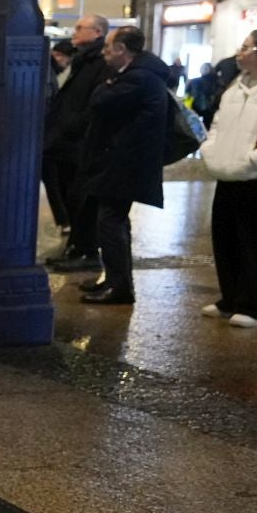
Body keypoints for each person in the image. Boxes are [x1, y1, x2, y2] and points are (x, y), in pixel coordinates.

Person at [75, 26, 169, 306]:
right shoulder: (136, 75)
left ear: (122, 50)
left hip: (124, 163)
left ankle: (119, 287)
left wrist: (107, 85)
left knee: (111, 223)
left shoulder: (138, 78)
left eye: (108, 46)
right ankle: (116, 280)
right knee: (112, 222)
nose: (104, 52)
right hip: (122, 162)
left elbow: (99, 101)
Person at [201, 31, 257, 328]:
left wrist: (253, 161)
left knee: (252, 242)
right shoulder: (235, 87)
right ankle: (230, 298)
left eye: (246, 47)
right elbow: (217, 124)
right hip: (227, 173)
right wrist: (210, 151)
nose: (239, 52)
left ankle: (252, 305)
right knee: (225, 238)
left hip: (254, 178)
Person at [44, 14, 109, 273]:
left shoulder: (98, 61)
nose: (75, 31)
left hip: (78, 143)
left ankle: (86, 250)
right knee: (72, 197)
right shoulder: (84, 59)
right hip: (67, 142)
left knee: (80, 199)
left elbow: (92, 103)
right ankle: (77, 247)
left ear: (97, 32)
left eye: (81, 28)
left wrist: (70, 128)